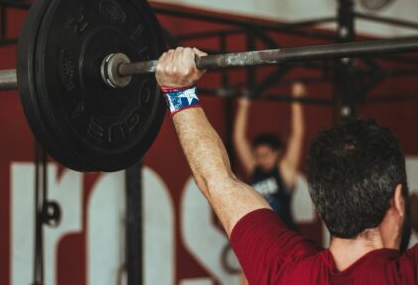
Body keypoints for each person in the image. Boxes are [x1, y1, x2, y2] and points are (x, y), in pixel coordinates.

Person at [155, 47, 416, 284]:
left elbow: (217, 181)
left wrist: (178, 90)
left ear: (321, 199)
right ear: (398, 201)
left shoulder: (283, 271)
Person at [233, 83, 306, 231]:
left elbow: (297, 136)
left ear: (276, 153)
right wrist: (243, 106)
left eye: (266, 155)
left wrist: (296, 100)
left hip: (287, 235)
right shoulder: (255, 169)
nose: (261, 159)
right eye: (257, 155)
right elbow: (239, 139)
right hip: (266, 235)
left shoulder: (285, 170)